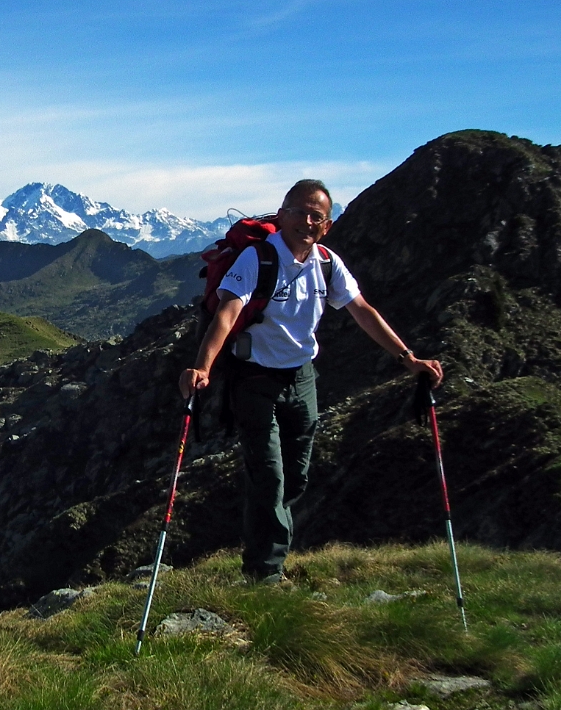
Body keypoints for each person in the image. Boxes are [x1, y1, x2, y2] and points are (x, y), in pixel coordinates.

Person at [178, 179, 443, 583]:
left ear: (327, 225)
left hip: (302, 379)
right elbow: (227, 314)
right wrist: (204, 367)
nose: (306, 221)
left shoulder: (327, 263)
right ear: (282, 213)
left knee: (294, 476)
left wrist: (408, 359)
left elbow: (362, 310)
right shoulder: (257, 258)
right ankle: (265, 572)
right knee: (268, 475)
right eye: (299, 211)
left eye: (315, 216)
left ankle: (266, 551)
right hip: (254, 379)